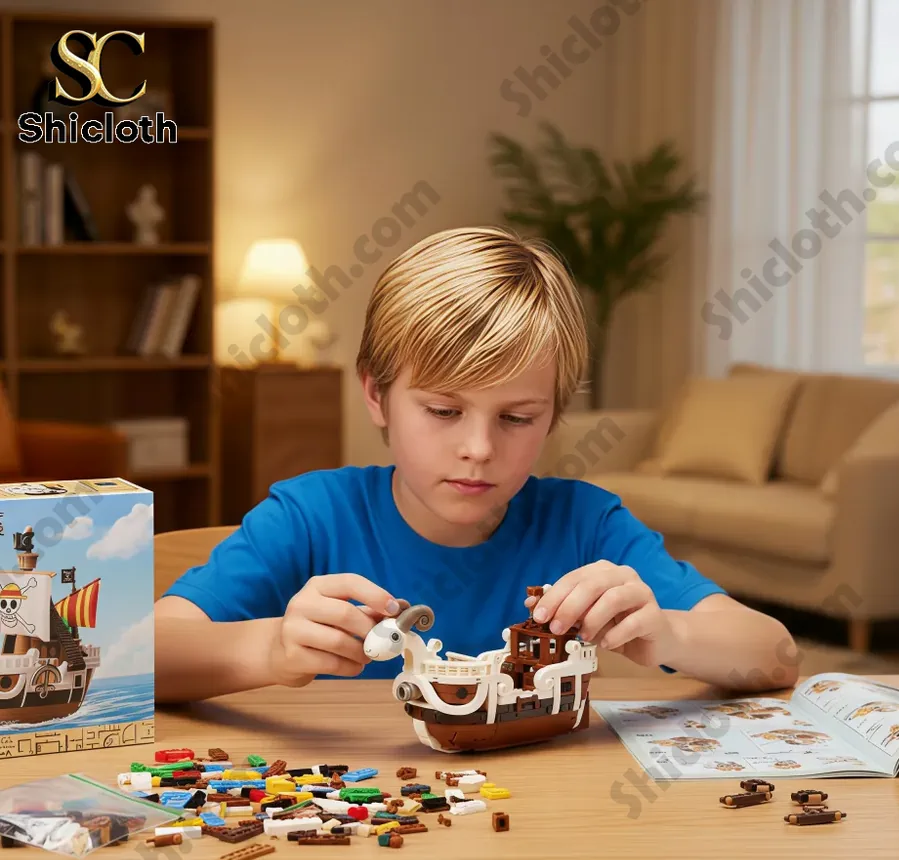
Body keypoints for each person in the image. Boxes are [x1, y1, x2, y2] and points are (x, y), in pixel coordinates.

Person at [155, 226, 797, 702]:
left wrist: (668, 636)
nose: (479, 449)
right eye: (442, 411)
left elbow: (776, 655)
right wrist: (270, 648)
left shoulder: (586, 525)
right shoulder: (311, 516)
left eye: (517, 418)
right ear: (376, 395)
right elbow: (137, 658)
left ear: (554, 413)